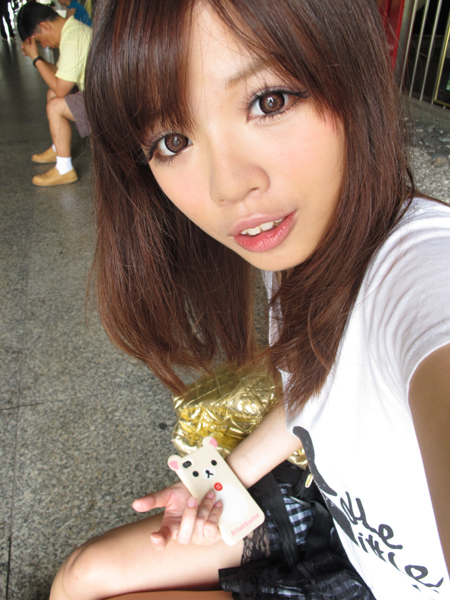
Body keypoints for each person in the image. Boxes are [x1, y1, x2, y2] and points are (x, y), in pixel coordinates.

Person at [50, 0, 450, 599]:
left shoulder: (420, 277)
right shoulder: (292, 247)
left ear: (352, 72)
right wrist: (224, 479)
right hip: (346, 527)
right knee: (82, 576)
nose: (228, 186)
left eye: (269, 102)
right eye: (173, 140)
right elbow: (314, 388)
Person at [17, 2, 92, 186]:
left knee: (55, 105)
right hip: (98, 92)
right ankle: (59, 148)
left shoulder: (73, 38)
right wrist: (38, 59)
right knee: (52, 94)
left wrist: (36, 58)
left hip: (108, 105)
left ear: (44, 26)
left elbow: (62, 89)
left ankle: (65, 170)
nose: (44, 45)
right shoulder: (71, 31)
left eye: (40, 41)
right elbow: (60, 75)